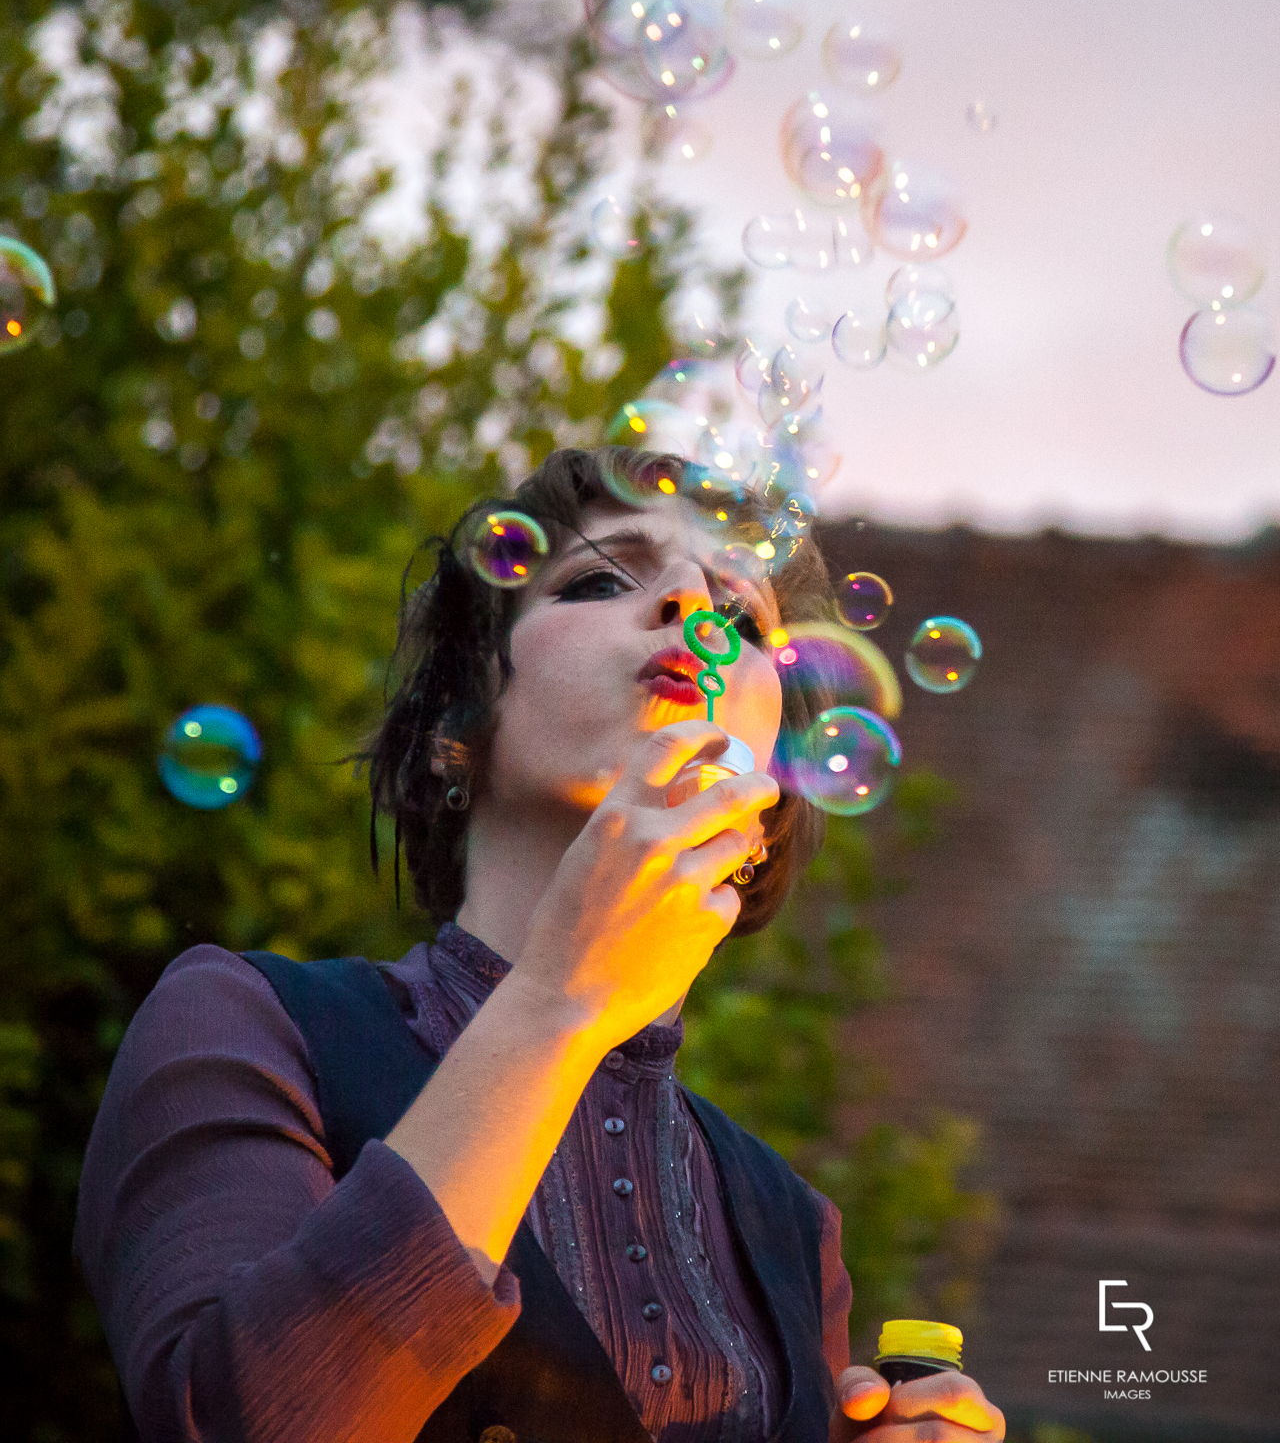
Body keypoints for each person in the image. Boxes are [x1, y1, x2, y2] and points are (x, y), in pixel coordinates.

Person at [74, 444, 1006, 1443]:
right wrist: (557, 999)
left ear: (771, 788)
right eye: (601, 578)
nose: (690, 603)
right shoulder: (246, 1027)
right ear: (457, 731)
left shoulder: (788, 1225)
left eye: (738, 614)